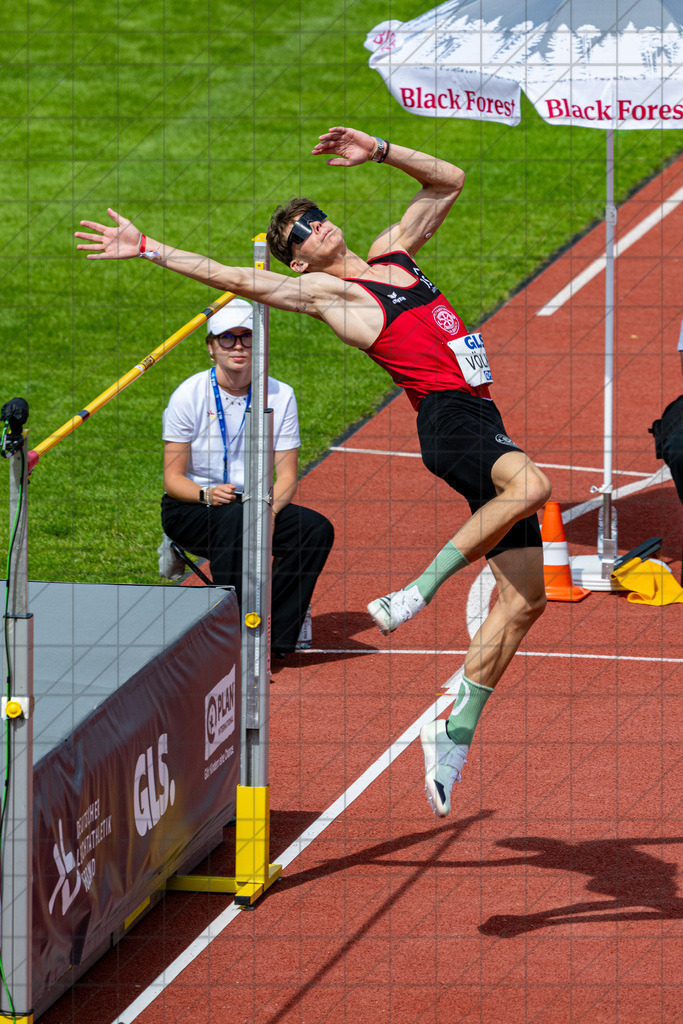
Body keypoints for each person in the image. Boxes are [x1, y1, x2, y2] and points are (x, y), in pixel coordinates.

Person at [75, 124, 551, 818]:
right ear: (298, 265)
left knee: (525, 600)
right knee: (533, 486)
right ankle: (414, 592)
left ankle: (451, 734)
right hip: (449, 424)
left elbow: (448, 178)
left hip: (483, 418)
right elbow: (235, 277)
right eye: (299, 235)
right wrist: (150, 248)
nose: (313, 230)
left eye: (313, 218)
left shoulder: (395, 253)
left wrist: (380, 149)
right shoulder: (334, 298)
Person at [159, 297, 334, 657]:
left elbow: (287, 475)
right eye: (227, 338)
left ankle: (276, 639)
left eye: (247, 337)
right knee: (236, 520)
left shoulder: (281, 395)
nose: (238, 346)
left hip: (255, 503)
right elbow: (172, 479)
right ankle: (228, 637)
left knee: (314, 530)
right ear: (211, 347)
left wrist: (268, 513)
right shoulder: (188, 395)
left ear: (261, 343)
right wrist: (205, 494)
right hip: (193, 503)